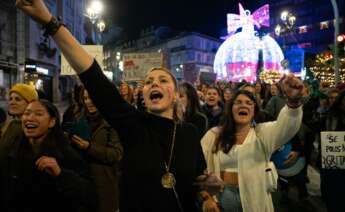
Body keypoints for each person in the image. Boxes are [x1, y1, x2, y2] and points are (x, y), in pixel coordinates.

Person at [15, 1, 206, 211]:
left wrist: (207, 192)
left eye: (163, 80)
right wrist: (51, 23)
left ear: (176, 96)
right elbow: (94, 77)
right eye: (149, 81)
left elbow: (198, 180)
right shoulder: (134, 125)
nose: (154, 84)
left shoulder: (190, 132)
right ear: (142, 94)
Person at [201, 75, 304, 212]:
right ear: (230, 108)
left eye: (249, 103)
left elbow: (288, 125)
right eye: (238, 102)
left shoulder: (263, 133)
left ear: (254, 110)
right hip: (223, 200)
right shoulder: (214, 135)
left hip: (256, 200)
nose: (244, 105)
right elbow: (200, 167)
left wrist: (293, 100)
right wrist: (207, 197)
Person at [0, 100, 97, 212]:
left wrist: (60, 174)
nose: (30, 118)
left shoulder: (66, 153)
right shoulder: (13, 151)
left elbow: (88, 194)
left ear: (52, 122)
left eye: (39, 114)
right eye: (27, 113)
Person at [70, 88, 123, 212]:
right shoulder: (79, 118)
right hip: (82, 183)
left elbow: (116, 154)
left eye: (92, 98)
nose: (89, 102)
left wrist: (89, 147)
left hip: (104, 186)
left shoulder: (113, 122)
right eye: (86, 98)